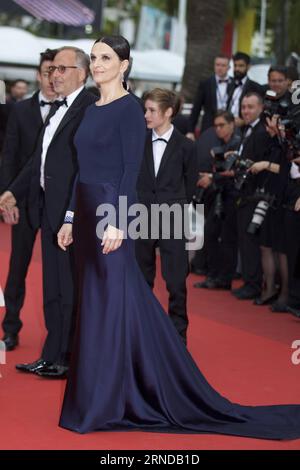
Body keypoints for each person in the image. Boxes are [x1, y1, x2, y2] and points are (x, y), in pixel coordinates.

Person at [41, 35, 300, 439]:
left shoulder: (128, 109)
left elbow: (129, 170)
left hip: (111, 214)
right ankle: (109, 392)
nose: (98, 64)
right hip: (87, 214)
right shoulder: (91, 109)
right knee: (99, 306)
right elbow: (81, 170)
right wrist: (71, 217)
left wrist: (119, 222)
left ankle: (106, 400)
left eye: (106, 57)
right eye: (93, 58)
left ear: (125, 64)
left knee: (112, 305)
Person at [0, 47, 97, 377]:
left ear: (81, 74)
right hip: (46, 209)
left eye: (62, 69)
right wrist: (13, 191)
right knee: (52, 287)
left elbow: (88, 166)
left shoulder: (90, 107)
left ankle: (67, 356)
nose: (54, 75)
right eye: (52, 69)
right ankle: (51, 354)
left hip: (72, 214)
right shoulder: (58, 109)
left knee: (68, 288)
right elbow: (36, 161)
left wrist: (71, 214)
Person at [0, 48, 58, 351]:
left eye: (56, 71)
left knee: (54, 273)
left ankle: (56, 335)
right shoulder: (20, 110)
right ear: (38, 74)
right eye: (47, 71)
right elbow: (9, 155)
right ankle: (10, 328)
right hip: (22, 201)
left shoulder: (68, 110)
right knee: (17, 266)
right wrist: (6, 196)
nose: (51, 78)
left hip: (53, 204)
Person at [135, 88, 197, 344]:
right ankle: (140, 330)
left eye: (151, 110)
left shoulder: (187, 146)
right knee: (141, 278)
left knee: (175, 280)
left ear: (168, 112)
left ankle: (178, 335)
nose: (146, 115)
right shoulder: (137, 140)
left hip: (173, 217)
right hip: (140, 215)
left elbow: (190, 184)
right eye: (145, 109)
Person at [194, 111, 240, 290]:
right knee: (213, 235)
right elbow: (223, 171)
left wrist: (212, 177)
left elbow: (231, 172)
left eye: (222, 125)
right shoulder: (223, 144)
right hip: (221, 195)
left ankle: (221, 277)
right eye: (216, 126)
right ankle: (216, 276)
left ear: (231, 125)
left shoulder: (236, 144)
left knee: (223, 238)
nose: (218, 129)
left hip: (231, 196)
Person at [186, 55, 233, 138]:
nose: (220, 68)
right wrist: (190, 130)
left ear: (229, 67)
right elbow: (196, 108)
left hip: (229, 128)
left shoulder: (234, 83)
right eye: (217, 65)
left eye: (223, 65)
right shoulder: (205, 83)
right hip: (209, 127)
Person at [227, 52, 263, 128]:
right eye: (235, 65)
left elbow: (260, 112)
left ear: (248, 67)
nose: (237, 69)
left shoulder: (255, 87)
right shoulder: (230, 85)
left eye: (241, 66)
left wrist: (244, 121)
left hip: (245, 129)